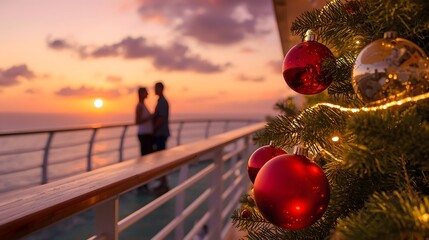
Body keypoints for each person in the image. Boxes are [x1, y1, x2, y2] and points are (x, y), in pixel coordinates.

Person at [152, 81, 170, 193]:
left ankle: (164, 184)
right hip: (161, 134)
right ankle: (162, 183)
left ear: (161, 89)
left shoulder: (162, 102)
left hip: (161, 134)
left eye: (156, 88)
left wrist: (153, 129)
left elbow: (161, 118)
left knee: (161, 159)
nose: (154, 90)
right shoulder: (161, 101)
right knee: (160, 159)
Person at [135, 87, 153, 192]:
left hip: (147, 135)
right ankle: (142, 185)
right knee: (144, 160)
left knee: (146, 159)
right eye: (145, 92)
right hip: (143, 135)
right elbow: (137, 121)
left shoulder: (143, 105)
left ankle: (144, 184)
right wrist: (150, 117)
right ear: (141, 94)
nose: (147, 93)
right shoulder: (139, 106)